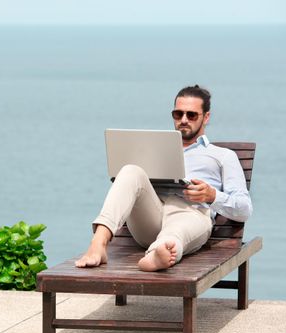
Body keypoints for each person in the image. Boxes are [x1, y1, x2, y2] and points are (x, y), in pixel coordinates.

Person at [75, 85, 252, 271]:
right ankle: (98, 244)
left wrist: (212, 196)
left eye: (191, 115)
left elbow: (244, 209)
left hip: (191, 213)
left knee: (177, 230)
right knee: (130, 170)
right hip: (152, 215)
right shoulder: (152, 150)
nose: (184, 120)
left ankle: (159, 254)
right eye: (178, 114)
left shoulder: (223, 156)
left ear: (206, 117)